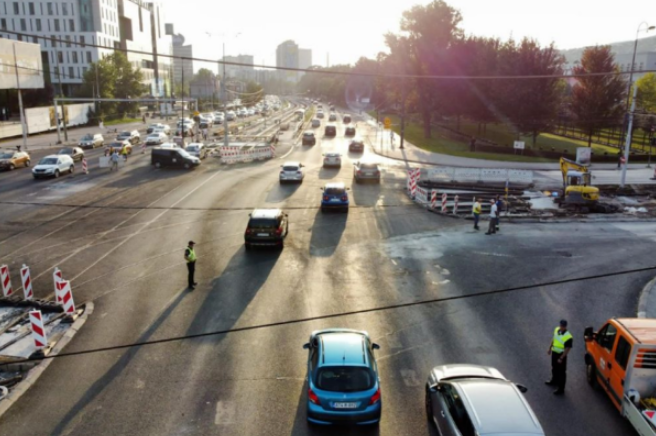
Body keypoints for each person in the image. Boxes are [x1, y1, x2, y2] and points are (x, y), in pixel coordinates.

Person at [546, 319, 573, 395]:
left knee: (561, 372)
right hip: (554, 352)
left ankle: (561, 389)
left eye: (563, 326)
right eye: (561, 325)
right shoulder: (556, 329)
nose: (561, 327)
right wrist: (549, 348)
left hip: (561, 355)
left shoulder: (568, 336)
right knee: (554, 367)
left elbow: (568, 348)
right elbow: (554, 339)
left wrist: (561, 357)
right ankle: (554, 380)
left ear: (565, 327)